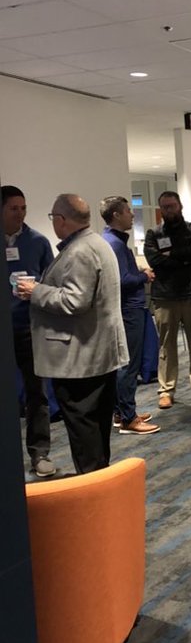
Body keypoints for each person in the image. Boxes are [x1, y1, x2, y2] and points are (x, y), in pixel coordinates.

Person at [17, 194, 128, 474]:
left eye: (53, 218)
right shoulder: (97, 244)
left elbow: (74, 302)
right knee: (96, 428)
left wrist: (36, 292)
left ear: (62, 220)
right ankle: (100, 482)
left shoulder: (79, 251)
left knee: (84, 432)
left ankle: (93, 490)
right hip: (95, 354)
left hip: (81, 360)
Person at [3, 185, 57, 477]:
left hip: (28, 328)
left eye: (23, 208)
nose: (21, 214)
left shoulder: (37, 242)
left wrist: (36, 290)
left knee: (37, 393)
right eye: (14, 208)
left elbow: (51, 282)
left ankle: (40, 454)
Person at [100, 196, 160, 435]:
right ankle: (128, 418)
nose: (132, 215)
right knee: (128, 364)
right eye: (127, 211)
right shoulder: (114, 244)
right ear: (116, 215)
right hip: (128, 310)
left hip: (126, 309)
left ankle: (121, 412)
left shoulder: (113, 242)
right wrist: (144, 276)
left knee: (125, 362)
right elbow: (122, 281)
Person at [144, 191, 191, 410]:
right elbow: (154, 260)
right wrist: (183, 259)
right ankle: (166, 390)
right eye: (164, 207)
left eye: (172, 206)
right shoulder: (154, 233)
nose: (168, 210)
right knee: (166, 347)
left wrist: (172, 256)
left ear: (180, 206)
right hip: (164, 296)